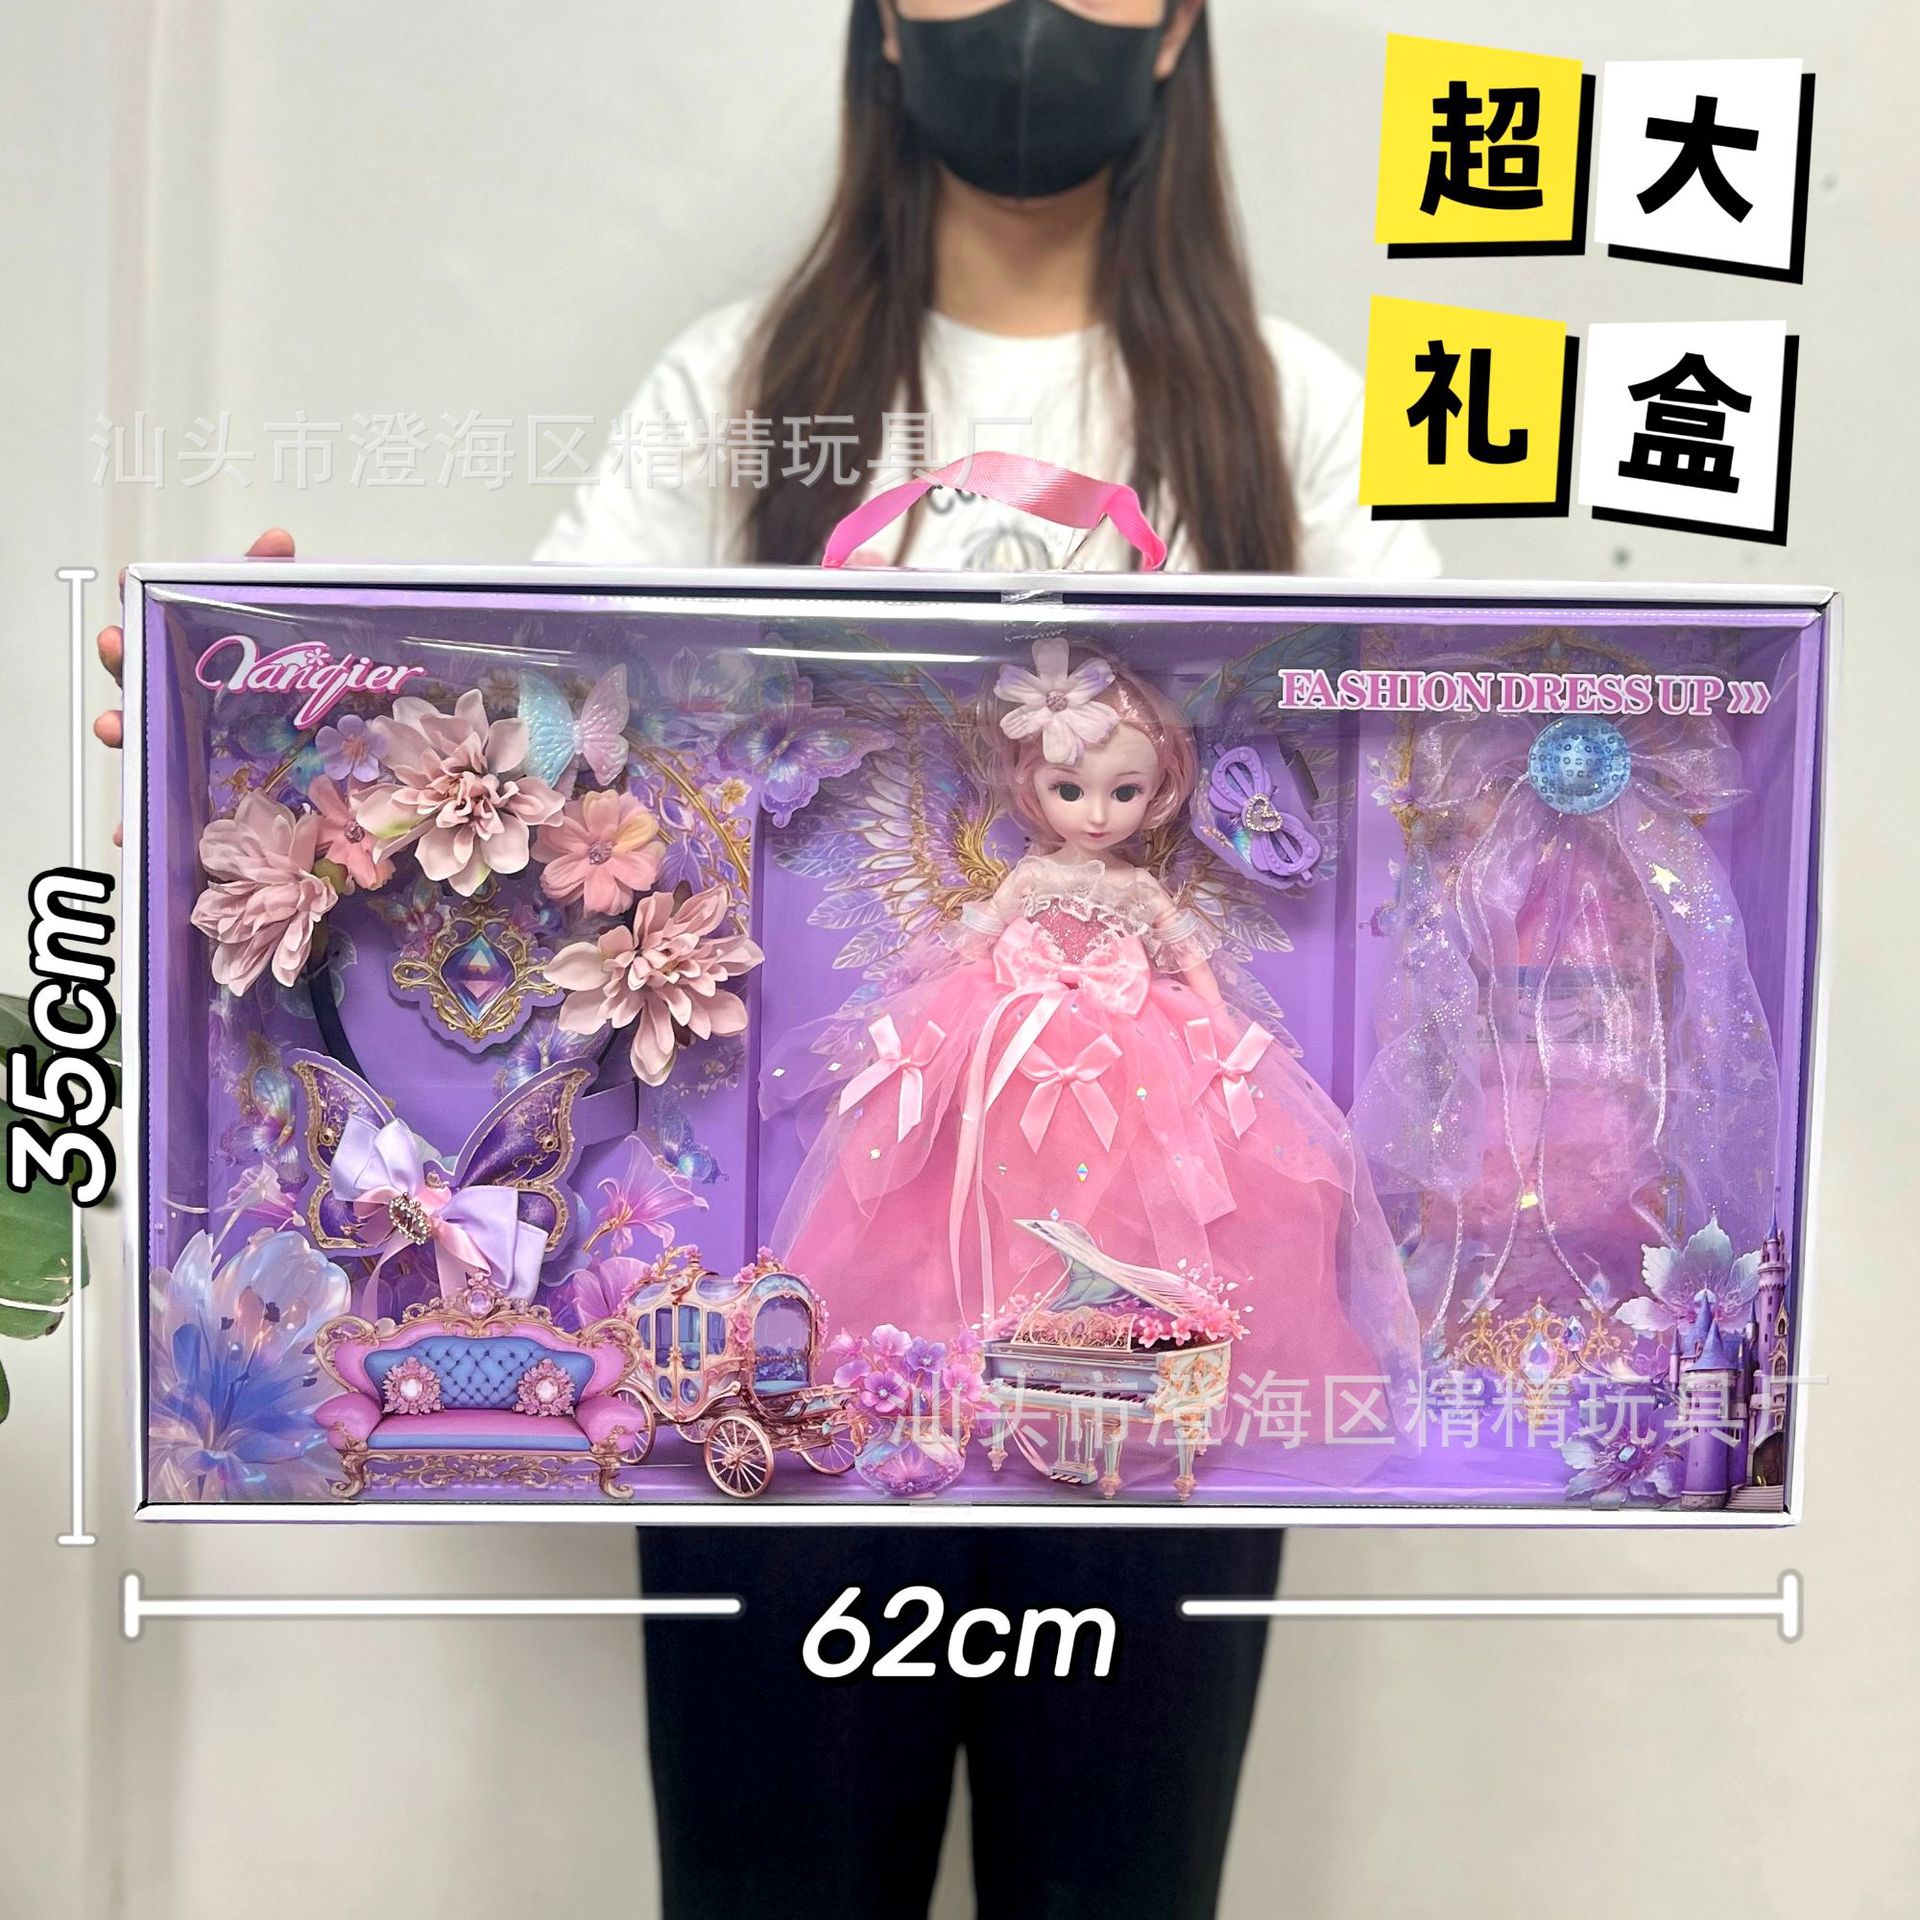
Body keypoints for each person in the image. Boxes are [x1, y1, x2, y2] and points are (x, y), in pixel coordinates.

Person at [97, 4, 1438, 1914]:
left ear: (1181, 27)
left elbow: (1428, 792)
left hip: (1165, 1356)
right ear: (883, 17)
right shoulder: (741, 392)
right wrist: (279, 719)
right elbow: (540, 738)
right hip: (782, 1343)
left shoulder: (1290, 416)